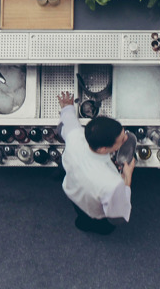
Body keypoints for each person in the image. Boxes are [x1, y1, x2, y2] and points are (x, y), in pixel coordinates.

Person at [56, 91, 134, 235]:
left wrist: (67, 107)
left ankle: (82, 223)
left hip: (72, 192)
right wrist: (127, 177)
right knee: (102, 226)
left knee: (80, 215)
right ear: (104, 149)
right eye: (122, 140)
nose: (126, 139)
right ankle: (91, 227)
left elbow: (64, 126)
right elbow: (117, 219)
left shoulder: (75, 136)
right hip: (94, 209)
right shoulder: (113, 184)